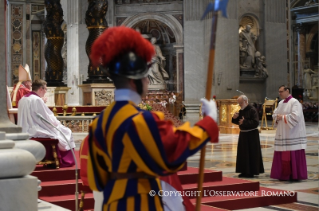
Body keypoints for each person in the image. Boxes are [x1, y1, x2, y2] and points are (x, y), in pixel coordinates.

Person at [87, 26, 219, 211]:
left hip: (111, 204)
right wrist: (210, 121)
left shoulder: (98, 123)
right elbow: (174, 149)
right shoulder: (140, 120)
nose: (148, 82)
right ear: (135, 82)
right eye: (145, 78)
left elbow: (97, 180)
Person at [18, 79, 75, 167]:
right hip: (36, 130)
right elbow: (46, 118)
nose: (45, 92)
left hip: (24, 130)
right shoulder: (37, 100)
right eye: (46, 89)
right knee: (66, 131)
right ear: (41, 89)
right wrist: (57, 123)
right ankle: (64, 160)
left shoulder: (23, 99)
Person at [270, 85, 307, 181]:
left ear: (287, 91)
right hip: (283, 132)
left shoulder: (294, 102)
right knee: (282, 152)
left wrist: (282, 117)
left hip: (292, 132)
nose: (280, 93)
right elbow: (275, 113)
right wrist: (277, 116)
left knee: (292, 152)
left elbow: (295, 116)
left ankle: (294, 175)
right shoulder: (281, 102)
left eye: (281, 91)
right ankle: (283, 174)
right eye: (279, 91)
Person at [232, 95, 264, 178]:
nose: (239, 105)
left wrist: (245, 121)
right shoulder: (241, 110)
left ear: (246, 101)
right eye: (239, 103)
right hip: (243, 134)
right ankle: (243, 171)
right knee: (243, 154)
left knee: (251, 154)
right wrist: (234, 118)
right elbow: (239, 122)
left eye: (241, 103)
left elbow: (256, 123)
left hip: (251, 135)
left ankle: (251, 172)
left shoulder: (252, 110)